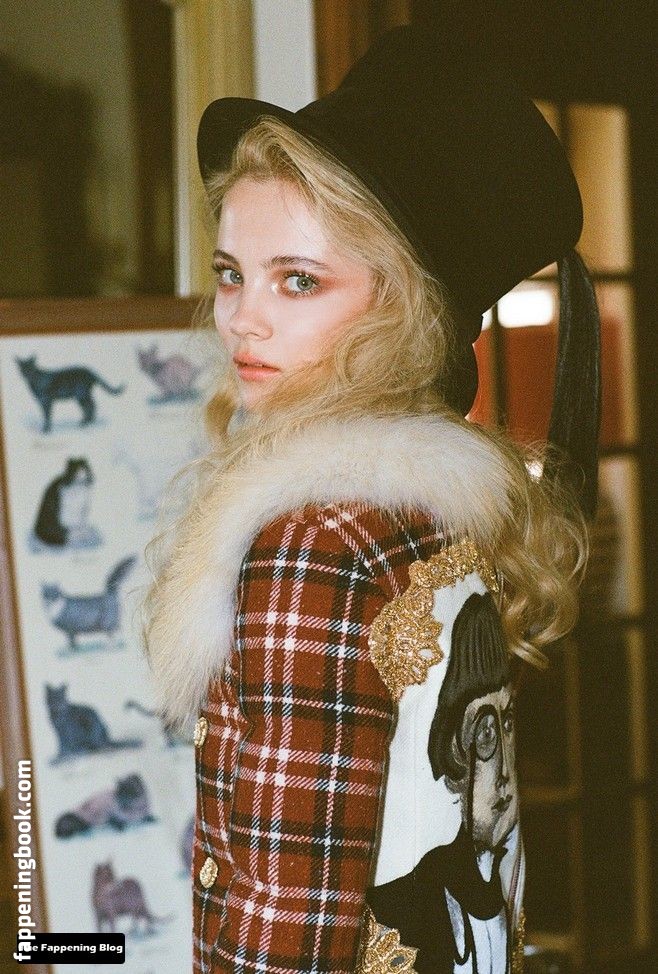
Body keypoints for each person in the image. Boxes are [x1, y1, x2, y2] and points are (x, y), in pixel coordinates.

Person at [144, 22, 600, 974]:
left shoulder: (314, 541)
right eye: (231, 273)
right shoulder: (433, 508)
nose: (242, 317)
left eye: (297, 280)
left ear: (402, 310)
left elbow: (287, 929)